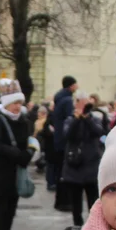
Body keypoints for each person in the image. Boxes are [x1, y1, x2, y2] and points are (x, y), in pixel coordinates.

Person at [0, 92, 36, 230]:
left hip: (17, 171)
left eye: (20, 103)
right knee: (1, 208)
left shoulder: (24, 120)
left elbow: (29, 139)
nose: (18, 106)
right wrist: (17, 154)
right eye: (15, 103)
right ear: (7, 104)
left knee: (11, 209)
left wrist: (29, 152)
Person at [60, 91, 105, 229]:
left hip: (91, 166)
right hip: (74, 166)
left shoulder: (95, 119)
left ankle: (94, 227)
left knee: (93, 201)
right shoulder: (70, 120)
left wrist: (86, 118)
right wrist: (77, 119)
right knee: (76, 202)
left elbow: (98, 132)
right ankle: (77, 226)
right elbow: (67, 134)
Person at [51, 76, 78, 211]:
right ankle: (65, 202)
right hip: (65, 141)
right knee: (66, 172)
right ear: (71, 86)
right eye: (75, 84)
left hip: (57, 140)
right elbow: (70, 120)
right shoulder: (68, 101)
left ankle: (60, 201)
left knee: (59, 172)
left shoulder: (59, 99)